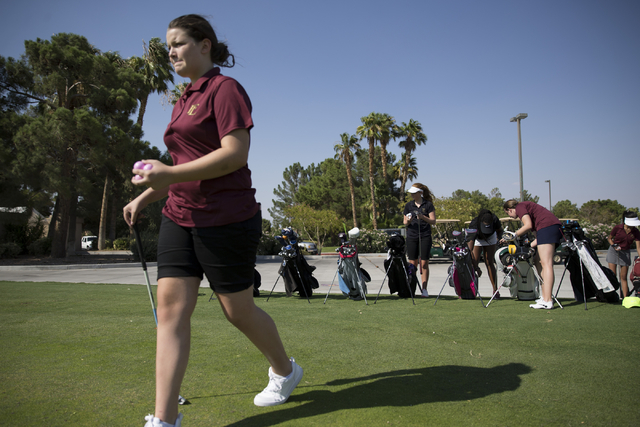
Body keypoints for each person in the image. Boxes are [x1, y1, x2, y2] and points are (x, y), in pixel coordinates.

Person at [123, 15, 302, 427]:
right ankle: (164, 421)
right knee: (171, 311)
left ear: (205, 45)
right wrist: (147, 195)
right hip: (178, 216)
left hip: (226, 217)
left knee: (237, 311)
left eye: (179, 43)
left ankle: (284, 370)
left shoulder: (225, 90)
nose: (171, 52)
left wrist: (166, 175)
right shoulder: (183, 96)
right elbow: (181, 165)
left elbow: (235, 154)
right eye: (168, 46)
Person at [501, 200, 562, 309]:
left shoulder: (520, 207)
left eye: (508, 214)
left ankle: (548, 300)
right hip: (547, 228)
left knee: (546, 263)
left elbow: (527, 225)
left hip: (548, 227)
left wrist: (513, 235)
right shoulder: (531, 214)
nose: (511, 216)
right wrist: (528, 246)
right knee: (537, 261)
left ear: (510, 210)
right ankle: (544, 297)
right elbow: (537, 238)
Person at [403, 183, 436, 297]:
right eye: (411, 193)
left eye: (414, 193)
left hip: (425, 235)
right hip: (412, 235)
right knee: (413, 263)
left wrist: (423, 217)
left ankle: (424, 289)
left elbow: (433, 221)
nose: (412, 195)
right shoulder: (408, 206)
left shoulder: (428, 205)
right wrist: (409, 220)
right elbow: (404, 222)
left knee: (424, 262)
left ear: (420, 193)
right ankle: (412, 288)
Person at [468, 209, 504, 297]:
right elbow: (469, 250)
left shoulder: (494, 219)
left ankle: (495, 290)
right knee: (473, 263)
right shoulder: (474, 224)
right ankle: (471, 289)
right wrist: (476, 268)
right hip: (478, 239)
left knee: (489, 262)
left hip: (491, 238)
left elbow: (500, 230)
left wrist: (500, 238)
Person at [606, 211, 640, 298]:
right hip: (613, 251)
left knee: (623, 277)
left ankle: (625, 298)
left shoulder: (636, 231)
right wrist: (614, 245)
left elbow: (638, 247)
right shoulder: (618, 228)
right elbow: (610, 238)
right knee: (613, 275)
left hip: (625, 253)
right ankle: (613, 296)